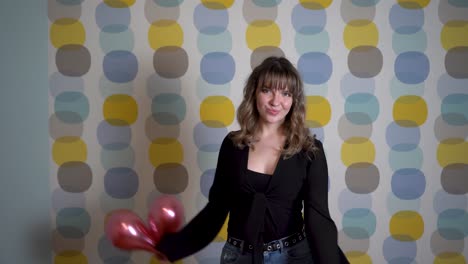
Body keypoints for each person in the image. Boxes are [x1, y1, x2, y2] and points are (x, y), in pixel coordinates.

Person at [156, 56, 349, 263]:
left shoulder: (309, 151)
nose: (276, 101)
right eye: (267, 90)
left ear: (294, 100)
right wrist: (174, 248)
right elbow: (215, 210)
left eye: (285, 93)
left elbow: (318, 220)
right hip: (238, 256)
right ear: (254, 93)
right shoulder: (233, 145)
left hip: (294, 256)